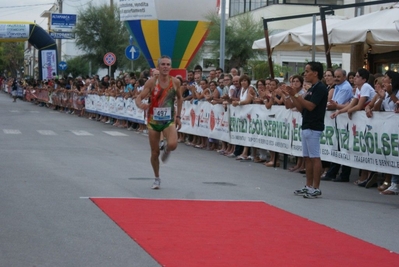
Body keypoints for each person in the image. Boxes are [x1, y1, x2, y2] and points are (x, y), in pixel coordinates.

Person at [135, 55, 182, 189]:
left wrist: (178, 116)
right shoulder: (151, 82)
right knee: (154, 153)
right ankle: (157, 178)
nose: (166, 67)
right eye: (163, 64)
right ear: (158, 67)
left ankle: (167, 149)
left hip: (168, 120)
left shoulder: (175, 82)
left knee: (173, 144)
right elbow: (140, 97)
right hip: (153, 121)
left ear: (171, 67)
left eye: (168, 64)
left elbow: (180, 99)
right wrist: (140, 104)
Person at [284, 62, 328, 199]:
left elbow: (310, 106)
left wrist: (296, 96)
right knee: (307, 157)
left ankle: (316, 187)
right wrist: (293, 95)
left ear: (315, 73)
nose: (305, 73)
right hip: (307, 124)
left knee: (314, 157)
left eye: (307, 71)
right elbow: (301, 107)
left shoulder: (320, 88)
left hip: (314, 126)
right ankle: (308, 185)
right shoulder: (311, 88)